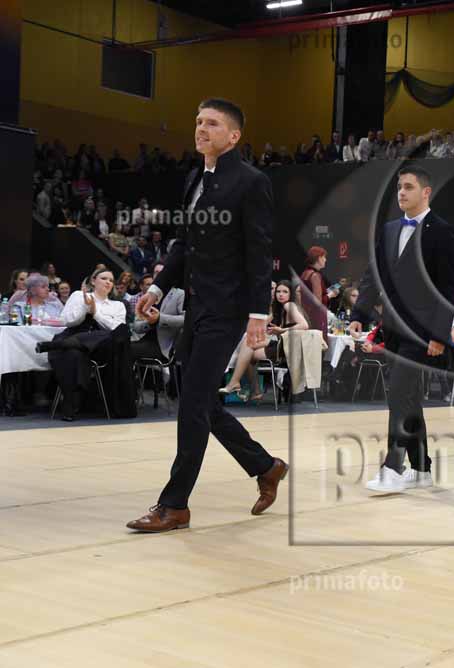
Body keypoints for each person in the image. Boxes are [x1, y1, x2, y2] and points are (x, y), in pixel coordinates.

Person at [128, 98, 287, 533]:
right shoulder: (195, 178)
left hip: (228, 310)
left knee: (193, 406)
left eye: (212, 123)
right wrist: (158, 287)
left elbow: (259, 251)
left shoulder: (252, 182)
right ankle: (265, 466)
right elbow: (184, 244)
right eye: (198, 121)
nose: (201, 128)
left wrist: (259, 312)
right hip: (197, 307)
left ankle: (174, 505)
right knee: (199, 402)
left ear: (233, 136)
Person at [352, 165, 454, 493]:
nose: (401, 192)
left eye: (409, 187)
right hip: (393, 328)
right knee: (408, 398)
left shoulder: (442, 232)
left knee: (399, 393)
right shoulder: (389, 230)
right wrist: (360, 313)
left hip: (422, 333)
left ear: (426, 192)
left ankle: (393, 468)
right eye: (399, 186)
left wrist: (439, 335)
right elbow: (374, 275)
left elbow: (448, 289)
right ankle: (422, 468)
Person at [46, 269, 128, 420]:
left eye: (111, 280)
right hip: (76, 336)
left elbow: (117, 329)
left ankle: (64, 344)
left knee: (108, 335)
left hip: (101, 345)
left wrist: (95, 313)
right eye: (104, 278)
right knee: (74, 354)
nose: (108, 282)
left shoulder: (118, 305)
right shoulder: (79, 295)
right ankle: (71, 403)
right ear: (93, 281)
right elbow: (66, 320)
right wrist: (84, 308)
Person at [221, 280, 309, 400]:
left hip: (286, 348)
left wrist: (281, 330)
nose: (280, 294)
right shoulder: (280, 307)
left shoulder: (289, 305)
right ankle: (250, 389)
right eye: (278, 291)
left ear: (291, 294)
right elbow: (262, 325)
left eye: (285, 292)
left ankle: (240, 384)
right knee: (248, 349)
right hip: (284, 345)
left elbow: (304, 325)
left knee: (248, 346)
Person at [299, 246, 332, 339]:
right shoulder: (315, 275)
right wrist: (330, 295)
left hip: (306, 315)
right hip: (317, 317)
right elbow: (317, 302)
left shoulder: (305, 273)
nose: (325, 260)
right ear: (319, 258)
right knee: (319, 343)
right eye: (324, 257)